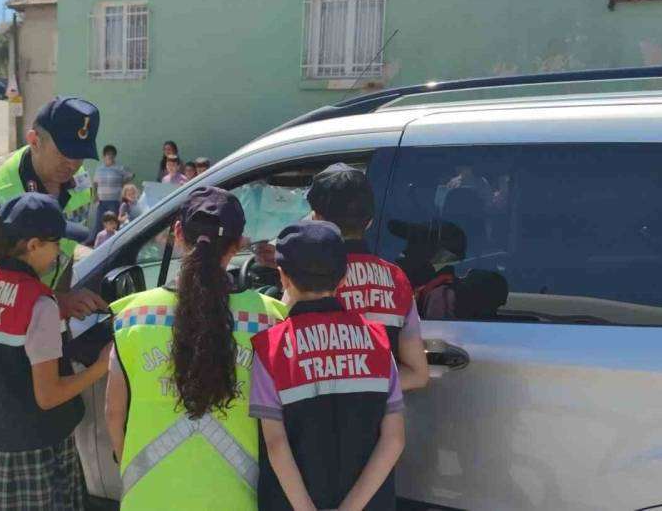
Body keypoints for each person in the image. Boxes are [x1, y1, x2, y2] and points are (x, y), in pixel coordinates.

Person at [105, 187, 288, 510]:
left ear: (178, 233)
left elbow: (114, 414)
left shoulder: (132, 316)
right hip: (232, 499)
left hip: (148, 498)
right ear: (237, 244)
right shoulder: (269, 318)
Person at [0, 193, 111, 510]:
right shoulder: (40, 304)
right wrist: (101, 367)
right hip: (36, 453)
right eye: (55, 243)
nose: (59, 251)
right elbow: (48, 395)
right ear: (32, 246)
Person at [250, 221, 405, 511]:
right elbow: (394, 439)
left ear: (283, 277)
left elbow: (276, 445)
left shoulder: (271, 347)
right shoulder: (378, 341)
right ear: (344, 277)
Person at [0, 97, 107, 320]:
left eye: (81, 154)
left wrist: (59, 309)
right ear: (34, 140)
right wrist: (57, 302)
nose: (73, 164)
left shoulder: (81, 184)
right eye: (64, 153)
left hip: (42, 319)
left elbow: (65, 254)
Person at [308, 164, 430, 392]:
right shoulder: (396, 278)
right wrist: (364, 385)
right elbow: (417, 374)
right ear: (370, 221)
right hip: (379, 423)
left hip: (316, 419)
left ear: (317, 219)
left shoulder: (307, 276)